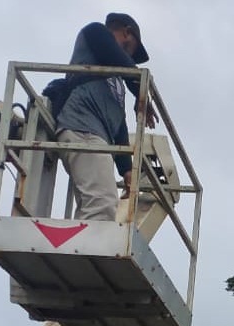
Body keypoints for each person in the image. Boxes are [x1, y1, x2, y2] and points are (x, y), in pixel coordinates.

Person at [54, 13, 157, 221]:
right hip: (81, 127)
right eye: (132, 49)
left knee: (91, 204)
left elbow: (117, 123)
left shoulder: (115, 82)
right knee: (102, 202)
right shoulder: (95, 32)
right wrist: (140, 90)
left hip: (96, 137)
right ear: (127, 32)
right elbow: (120, 60)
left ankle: (80, 250)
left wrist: (126, 169)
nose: (131, 57)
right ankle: (88, 253)